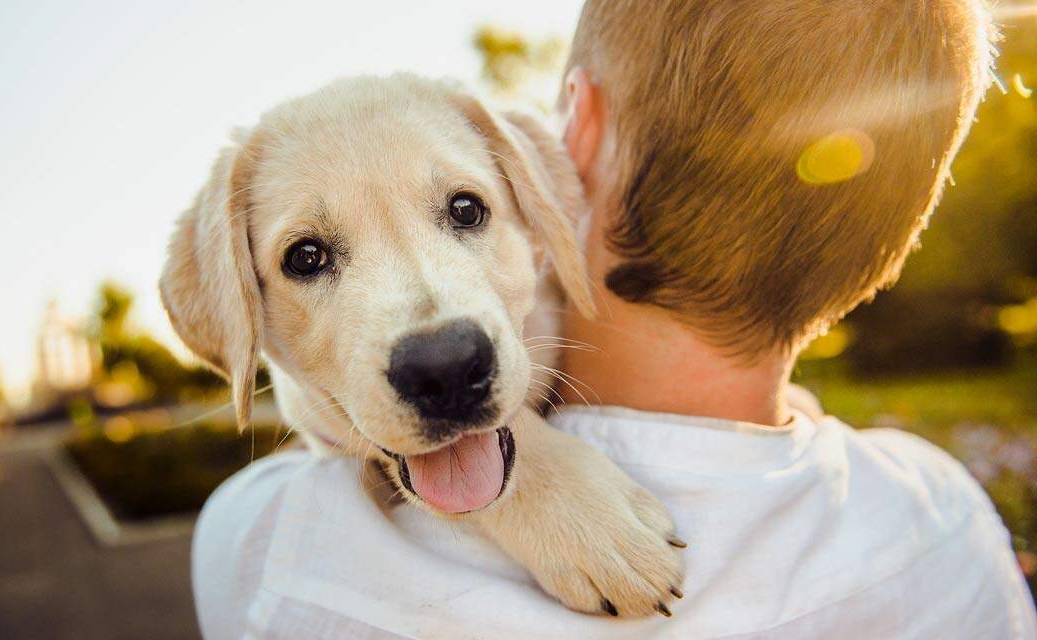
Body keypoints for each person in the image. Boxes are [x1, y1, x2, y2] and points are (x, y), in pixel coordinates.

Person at [192, 0, 1037, 637]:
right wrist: (524, 480)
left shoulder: (269, 549)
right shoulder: (951, 525)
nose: (437, 333)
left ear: (572, 143)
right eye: (309, 258)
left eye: (463, 209)